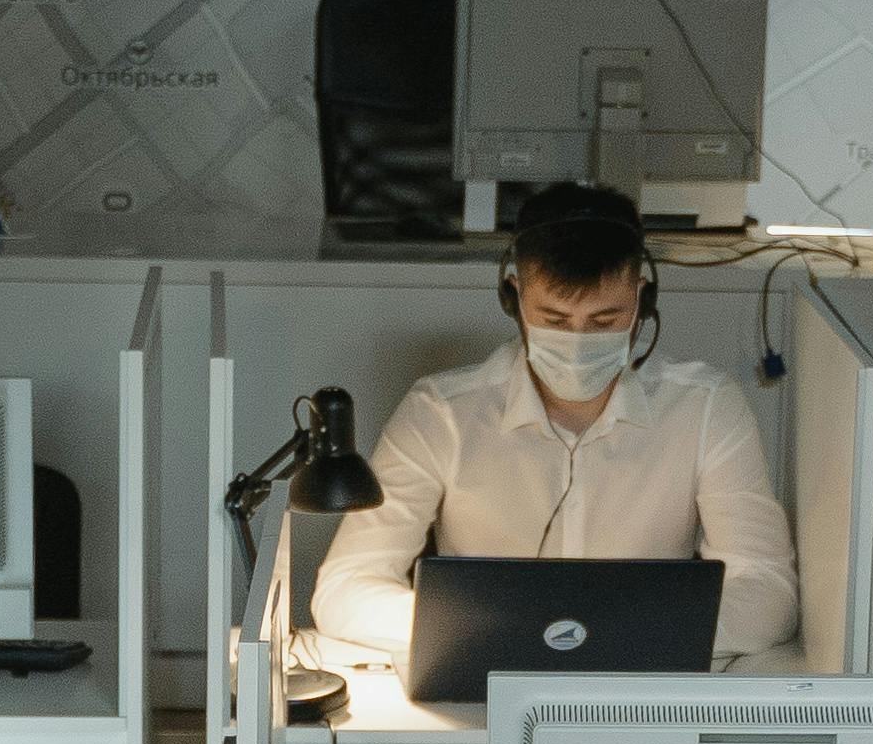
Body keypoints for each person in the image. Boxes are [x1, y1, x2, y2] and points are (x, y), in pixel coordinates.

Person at [310, 180, 800, 664]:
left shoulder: (705, 408)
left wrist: (606, 635)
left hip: (641, 693)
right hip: (485, 693)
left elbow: (769, 594)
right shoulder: (441, 412)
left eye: (606, 320)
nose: (579, 339)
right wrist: (497, 632)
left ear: (642, 297)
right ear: (513, 296)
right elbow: (346, 589)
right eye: (555, 319)